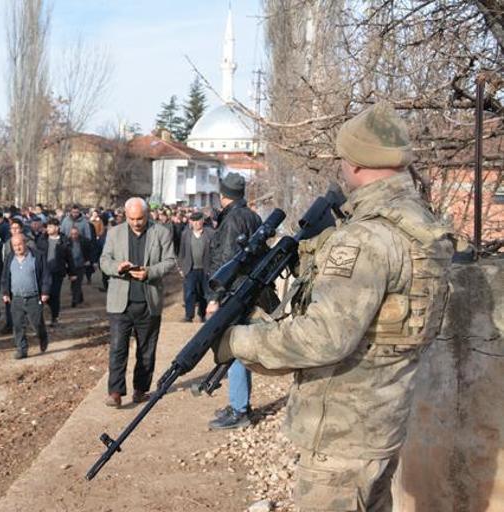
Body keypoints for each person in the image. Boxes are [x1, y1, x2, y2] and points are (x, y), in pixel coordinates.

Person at [213, 102, 455, 510]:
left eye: (343, 159)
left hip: (342, 439)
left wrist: (236, 341)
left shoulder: (364, 239)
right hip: (382, 425)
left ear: (357, 163)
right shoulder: (420, 226)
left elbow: (323, 338)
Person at [206, 172, 277, 430]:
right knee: (238, 348)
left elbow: (227, 262)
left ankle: (239, 410)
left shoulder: (232, 220)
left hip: (235, 295)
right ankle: (239, 404)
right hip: (249, 293)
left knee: (234, 348)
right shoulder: (251, 216)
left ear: (223, 195)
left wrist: (215, 298)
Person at [100, 197, 176, 407]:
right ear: (126, 216)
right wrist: (117, 267)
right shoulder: (114, 233)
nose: (136, 223)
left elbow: (170, 261)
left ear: (147, 215)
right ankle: (115, 392)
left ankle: (140, 390)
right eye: (132, 219)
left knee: (146, 349)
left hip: (148, 301)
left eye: (140, 218)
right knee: (117, 348)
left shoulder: (161, 233)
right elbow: (104, 261)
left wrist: (150, 272)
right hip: (120, 303)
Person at [0, 233, 51, 359]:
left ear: (25, 243)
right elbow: (5, 277)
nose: (17, 248)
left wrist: (45, 292)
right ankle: (21, 349)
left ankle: (42, 336)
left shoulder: (37, 256)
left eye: (19, 245)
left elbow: (45, 275)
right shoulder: (9, 258)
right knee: (18, 325)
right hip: (16, 298)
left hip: (33, 297)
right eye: (14, 245)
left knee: (37, 323)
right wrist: (5, 292)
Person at [36, 218, 74, 326]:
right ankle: (39, 317)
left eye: (51, 227)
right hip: (44, 272)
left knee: (55, 295)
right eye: (47, 227)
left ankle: (54, 317)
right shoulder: (42, 239)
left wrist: (72, 272)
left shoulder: (64, 241)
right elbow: (37, 255)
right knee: (43, 293)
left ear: (57, 228)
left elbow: (69, 258)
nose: (48, 229)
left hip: (57, 272)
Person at [178, 212, 213, 323]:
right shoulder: (185, 234)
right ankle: (189, 316)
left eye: (199, 221)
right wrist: (181, 268)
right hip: (190, 269)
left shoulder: (210, 233)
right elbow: (181, 253)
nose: (197, 223)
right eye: (194, 221)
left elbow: (215, 251)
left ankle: (202, 315)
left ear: (203, 221)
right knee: (189, 293)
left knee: (204, 293)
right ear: (191, 222)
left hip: (206, 269)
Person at [68, 226, 91, 307]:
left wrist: (88, 260)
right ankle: (80, 298)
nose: (74, 236)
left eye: (75, 234)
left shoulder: (84, 241)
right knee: (73, 284)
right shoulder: (67, 242)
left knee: (77, 283)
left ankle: (75, 301)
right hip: (71, 266)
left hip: (81, 265)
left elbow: (89, 251)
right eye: (72, 234)